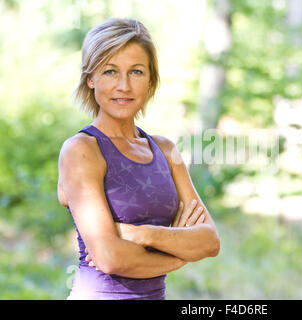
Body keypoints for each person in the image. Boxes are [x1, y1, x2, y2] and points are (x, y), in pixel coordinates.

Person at [57, 18, 220, 300]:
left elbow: (209, 241)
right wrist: (180, 256)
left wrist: (144, 235)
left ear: (150, 80)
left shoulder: (166, 150)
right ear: (91, 79)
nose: (124, 85)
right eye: (110, 71)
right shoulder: (81, 151)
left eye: (136, 72)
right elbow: (109, 258)